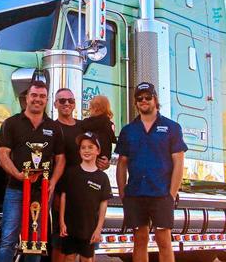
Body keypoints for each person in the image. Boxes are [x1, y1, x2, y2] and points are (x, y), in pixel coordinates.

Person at [115, 82, 188, 262]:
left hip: (161, 193)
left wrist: (172, 193)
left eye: (148, 97)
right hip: (135, 194)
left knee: (164, 240)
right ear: (136, 103)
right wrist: (123, 192)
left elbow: (178, 162)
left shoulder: (172, 128)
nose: (144, 101)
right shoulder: (128, 130)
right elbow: (122, 163)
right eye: (139, 98)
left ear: (155, 99)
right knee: (139, 240)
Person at [0, 81, 66, 262]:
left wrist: (52, 182)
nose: (38, 99)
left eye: (42, 96)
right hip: (15, 189)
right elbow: (3, 154)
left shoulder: (54, 127)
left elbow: (60, 159)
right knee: (8, 239)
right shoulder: (11, 124)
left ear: (47, 99)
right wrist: (18, 174)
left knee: (36, 240)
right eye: (34, 95)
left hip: (42, 192)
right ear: (26, 98)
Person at [51, 89, 109, 262]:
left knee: (87, 247)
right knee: (61, 243)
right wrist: (54, 192)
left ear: (75, 103)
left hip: (88, 197)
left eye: (70, 100)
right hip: (63, 193)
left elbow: (97, 149)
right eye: (62, 101)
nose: (66, 104)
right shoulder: (53, 128)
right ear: (55, 104)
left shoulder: (83, 126)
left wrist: (103, 162)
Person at [59, 132, 111, 262]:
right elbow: (63, 197)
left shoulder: (102, 178)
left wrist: (98, 229)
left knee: (87, 258)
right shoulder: (71, 173)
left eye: (90, 147)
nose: (86, 150)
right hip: (70, 227)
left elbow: (103, 204)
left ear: (98, 150)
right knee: (69, 257)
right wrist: (61, 222)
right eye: (83, 147)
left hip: (89, 228)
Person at [81, 95, 114, 167]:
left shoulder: (89, 123)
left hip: (91, 160)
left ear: (96, 108)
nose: (89, 110)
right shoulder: (108, 123)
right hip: (103, 159)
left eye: (90, 107)